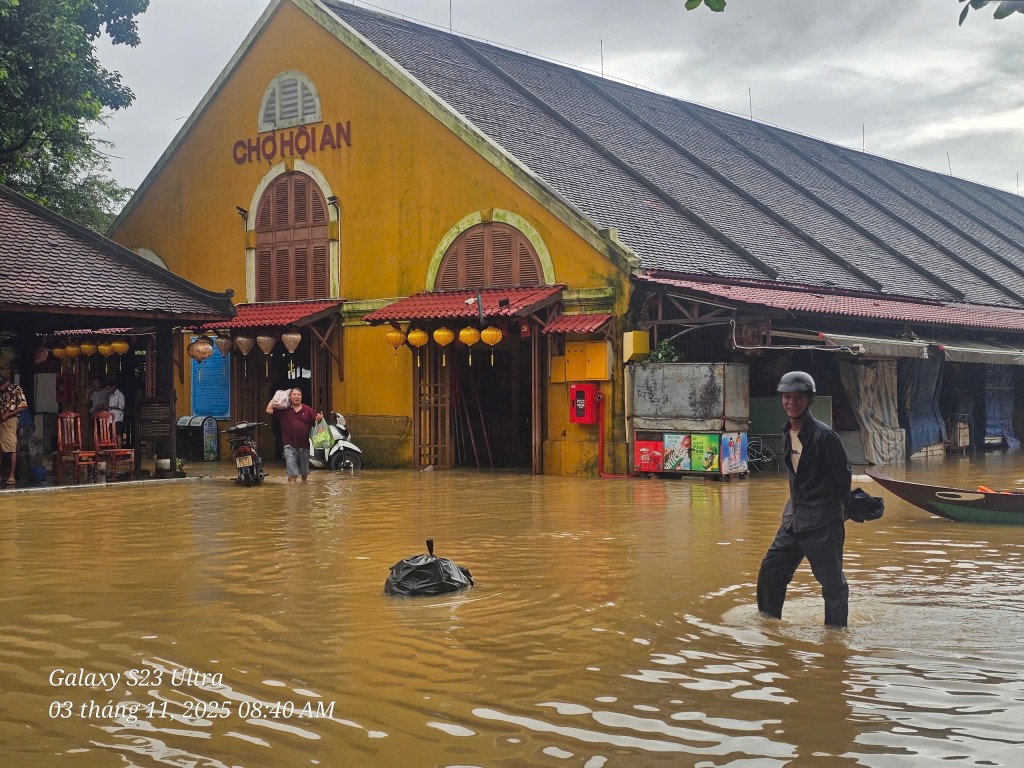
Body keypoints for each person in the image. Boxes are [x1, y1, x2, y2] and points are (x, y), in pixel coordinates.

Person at [757, 371, 852, 628]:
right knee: (771, 570)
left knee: (832, 583)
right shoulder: (786, 432)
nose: (792, 403)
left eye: (798, 397)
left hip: (822, 520)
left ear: (809, 400)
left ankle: (835, 635)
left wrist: (842, 511)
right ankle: (768, 623)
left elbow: (843, 476)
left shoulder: (824, 436)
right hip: (794, 518)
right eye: (786, 397)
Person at [265, 388, 321, 483]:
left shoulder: (308, 410)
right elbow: (268, 410)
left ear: (301, 397)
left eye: (298, 395)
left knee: (304, 474)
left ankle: (303, 490)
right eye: (294, 394)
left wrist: (319, 419)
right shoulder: (284, 410)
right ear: (289, 397)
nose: (296, 396)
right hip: (289, 446)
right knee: (292, 474)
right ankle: (292, 490)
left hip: (304, 446)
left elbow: (315, 423)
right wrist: (276, 397)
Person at [0, 373, 28, 488]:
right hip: (1, 419)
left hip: (10, 420)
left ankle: (11, 475)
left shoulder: (16, 389)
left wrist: (9, 415)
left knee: (11, 448)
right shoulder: (1, 392)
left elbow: (23, 406)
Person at [106, 381, 126, 448]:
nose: (108, 391)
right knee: (112, 435)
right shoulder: (111, 395)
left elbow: (122, 406)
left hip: (117, 418)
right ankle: (114, 450)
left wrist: (111, 407)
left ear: (114, 387)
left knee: (118, 435)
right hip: (110, 418)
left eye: (109, 389)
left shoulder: (120, 394)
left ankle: (119, 450)